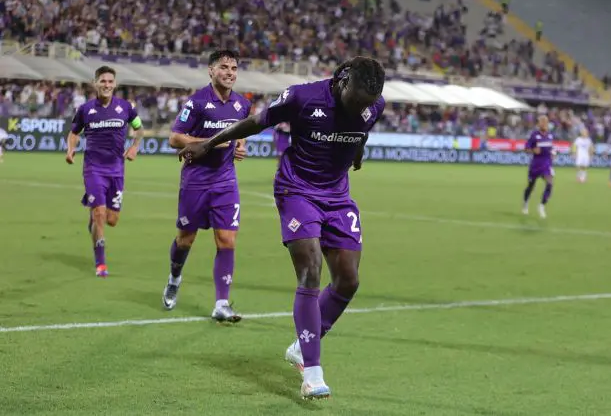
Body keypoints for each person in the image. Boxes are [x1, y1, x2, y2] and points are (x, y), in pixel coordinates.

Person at [178, 56, 386, 400]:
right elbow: (256, 121)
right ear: (343, 82)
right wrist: (209, 143)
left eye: (366, 104)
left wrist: (357, 153)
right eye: (355, 101)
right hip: (297, 190)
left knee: (349, 280)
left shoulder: (372, 104)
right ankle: (312, 372)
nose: (360, 109)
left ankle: (301, 344)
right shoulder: (302, 97)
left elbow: (361, 130)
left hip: (338, 196)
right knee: (310, 270)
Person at [162, 50, 249, 323]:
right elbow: (175, 138)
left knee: (227, 241)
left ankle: (221, 303)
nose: (230, 72)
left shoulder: (241, 105)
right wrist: (209, 142)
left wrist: (240, 146)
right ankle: (175, 276)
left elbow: (241, 132)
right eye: (224, 67)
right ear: (211, 71)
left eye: (234, 67)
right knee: (185, 239)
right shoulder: (197, 102)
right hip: (196, 183)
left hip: (225, 183)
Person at [66, 66, 144, 277]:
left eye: (110, 81)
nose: (107, 85)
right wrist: (71, 150)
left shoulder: (126, 107)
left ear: (115, 84)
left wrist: (135, 147)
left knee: (111, 220)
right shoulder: (85, 110)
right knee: (100, 214)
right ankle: (100, 264)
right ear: (95, 83)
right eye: (103, 81)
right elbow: (73, 133)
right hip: (93, 169)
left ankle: (93, 219)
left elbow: (139, 129)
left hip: (117, 170)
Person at [522, 115, 554, 219]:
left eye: (546, 121)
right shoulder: (534, 135)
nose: (544, 123)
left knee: (550, 184)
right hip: (535, 166)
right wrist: (532, 151)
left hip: (546, 165)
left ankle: (541, 206)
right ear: (538, 124)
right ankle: (525, 203)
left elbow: (551, 148)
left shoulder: (550, 135)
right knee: (530, 187)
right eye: (542, 121)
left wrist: (553, 153)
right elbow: (526, 149)